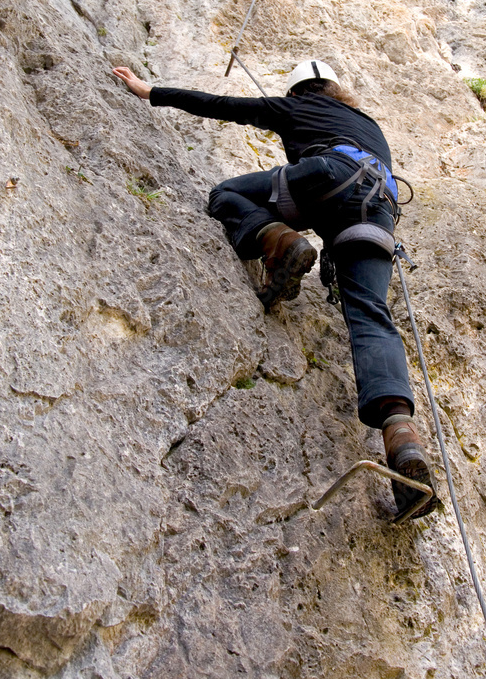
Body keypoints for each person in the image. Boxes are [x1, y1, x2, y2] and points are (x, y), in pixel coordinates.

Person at [113, 60, 440, 520]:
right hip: (376, 208)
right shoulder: (368, 124)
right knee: (371, 316)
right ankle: (403, 440)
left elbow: (224, 106)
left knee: (228, 194)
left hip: (325, 180)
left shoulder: (295, 106)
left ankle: (279, 241)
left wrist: (151, 91)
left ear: (301, 89)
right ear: (334, 88)